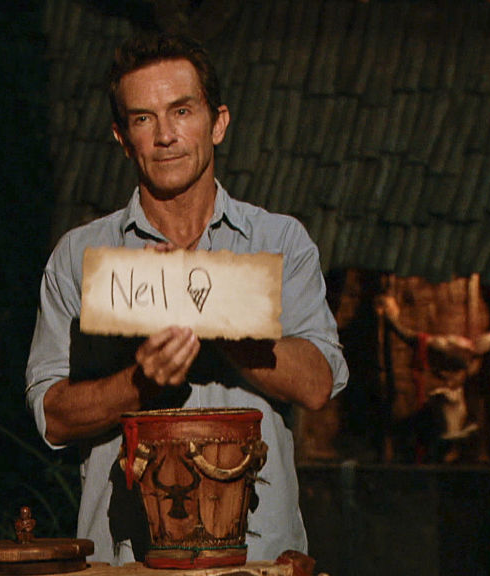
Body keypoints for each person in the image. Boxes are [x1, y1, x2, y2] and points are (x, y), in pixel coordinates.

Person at [25, 32, 349, 565]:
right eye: (143, 118)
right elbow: (52, 417)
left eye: (181, 111)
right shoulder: (79, 257)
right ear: (122, 138)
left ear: (217, 123)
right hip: (127, 563)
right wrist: (141, 382)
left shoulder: (279, 241)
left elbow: (317, 384)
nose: (165, 136)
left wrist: (211, 311)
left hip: (256, 560)